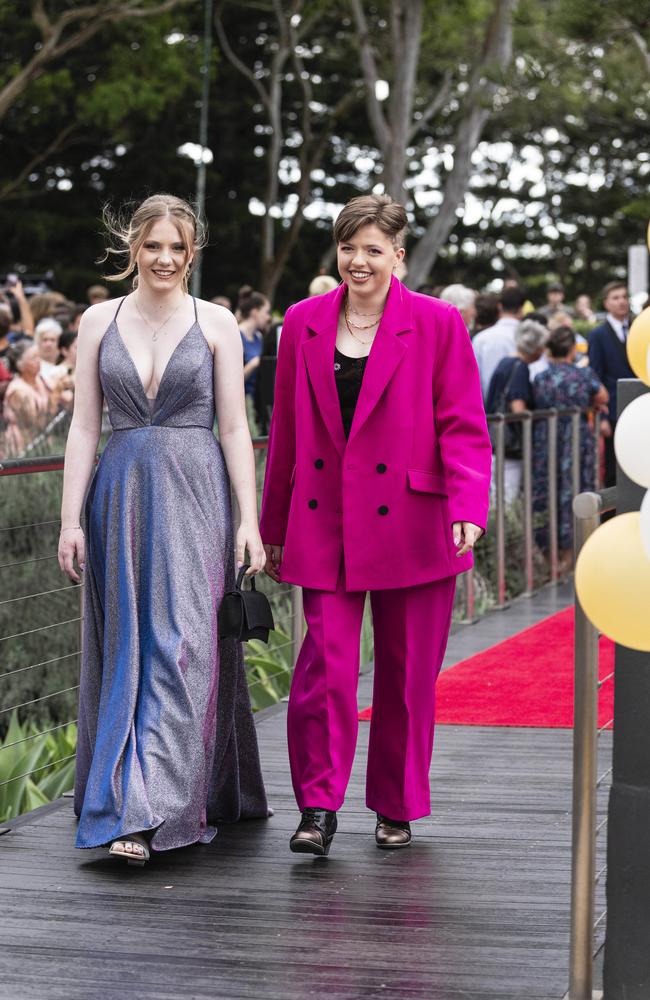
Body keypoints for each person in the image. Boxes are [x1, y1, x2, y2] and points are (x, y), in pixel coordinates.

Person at [260, 194, 491, 856]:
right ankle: (318, 807)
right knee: (323, 671)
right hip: (322, 521)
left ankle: (395, 805)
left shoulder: (440, 324)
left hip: (416, 521)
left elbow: (464, 427)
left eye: (371, 249)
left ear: (397, 253)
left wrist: (468, 510)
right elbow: (286, 435)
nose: (357, 261)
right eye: (347, 248)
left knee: (407, 674)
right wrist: (274, 527)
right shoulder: (301, 322)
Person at [58, 193, 269, 865]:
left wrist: (250, 519)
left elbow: (234, 427)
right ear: (133, 249)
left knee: (184, 645)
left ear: (193, 252)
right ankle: (129, 798)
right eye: (153, 246)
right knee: (129, 649)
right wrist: (70, 520)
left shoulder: (217, 322)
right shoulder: (97, 321)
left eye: (178, 248)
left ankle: (152, 811)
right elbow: (84, 427)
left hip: (195, 493)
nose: (165, 259)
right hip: (117, 494)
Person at [533, 325, 608, 572]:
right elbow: (603, 397)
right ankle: (575, 551)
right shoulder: (583, 375)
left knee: (548, 491)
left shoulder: (542, 377)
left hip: (547, 439)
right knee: (575, 489)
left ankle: (549, 554)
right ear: (572, 349)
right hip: (576, 438)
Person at [485, 319, 548, 505]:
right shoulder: (520, 367)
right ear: (535, 347)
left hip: (496, 442)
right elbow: (517, 408)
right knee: (508, 499)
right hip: (510, 445)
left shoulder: (504, 362)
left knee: (497, 496)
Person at [587, 281, 634, 487]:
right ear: (606, 303)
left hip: (640, 407)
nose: (622, 301)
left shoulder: (638, 328)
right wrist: (603, 417)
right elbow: (595, 375)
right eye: (616, 298)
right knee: (614, 469)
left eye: (624, 296)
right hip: (613, 410)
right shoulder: (598, 334)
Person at [472, 285, 525, 400]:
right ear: (521, 309)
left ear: (500, 307)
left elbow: (472, 378)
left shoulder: (480, 339)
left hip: (485, 409)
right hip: (520, 409)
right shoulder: (528, 337)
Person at [2, 339, 53, 455]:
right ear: (20, 365)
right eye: (33, 358)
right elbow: (36, 422)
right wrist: (57, 393)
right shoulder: (17, 390)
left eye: (38, 356)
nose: (38, 361)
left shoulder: (40, 380)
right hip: (23, 447)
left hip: (41, 442)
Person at [239, 290, 270, 424]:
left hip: (256, 401)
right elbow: (231, 380)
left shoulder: (259, 337)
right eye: (266, 312)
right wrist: (254, 363)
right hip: (241, 402)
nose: (268, 317)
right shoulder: (235, 335)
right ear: (255, 312)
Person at [34, 317, 62, 383]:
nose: (48, 344)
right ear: (38, 342)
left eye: (52, 340)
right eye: (45, 340)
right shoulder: (35, 367)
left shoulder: (64, 365)